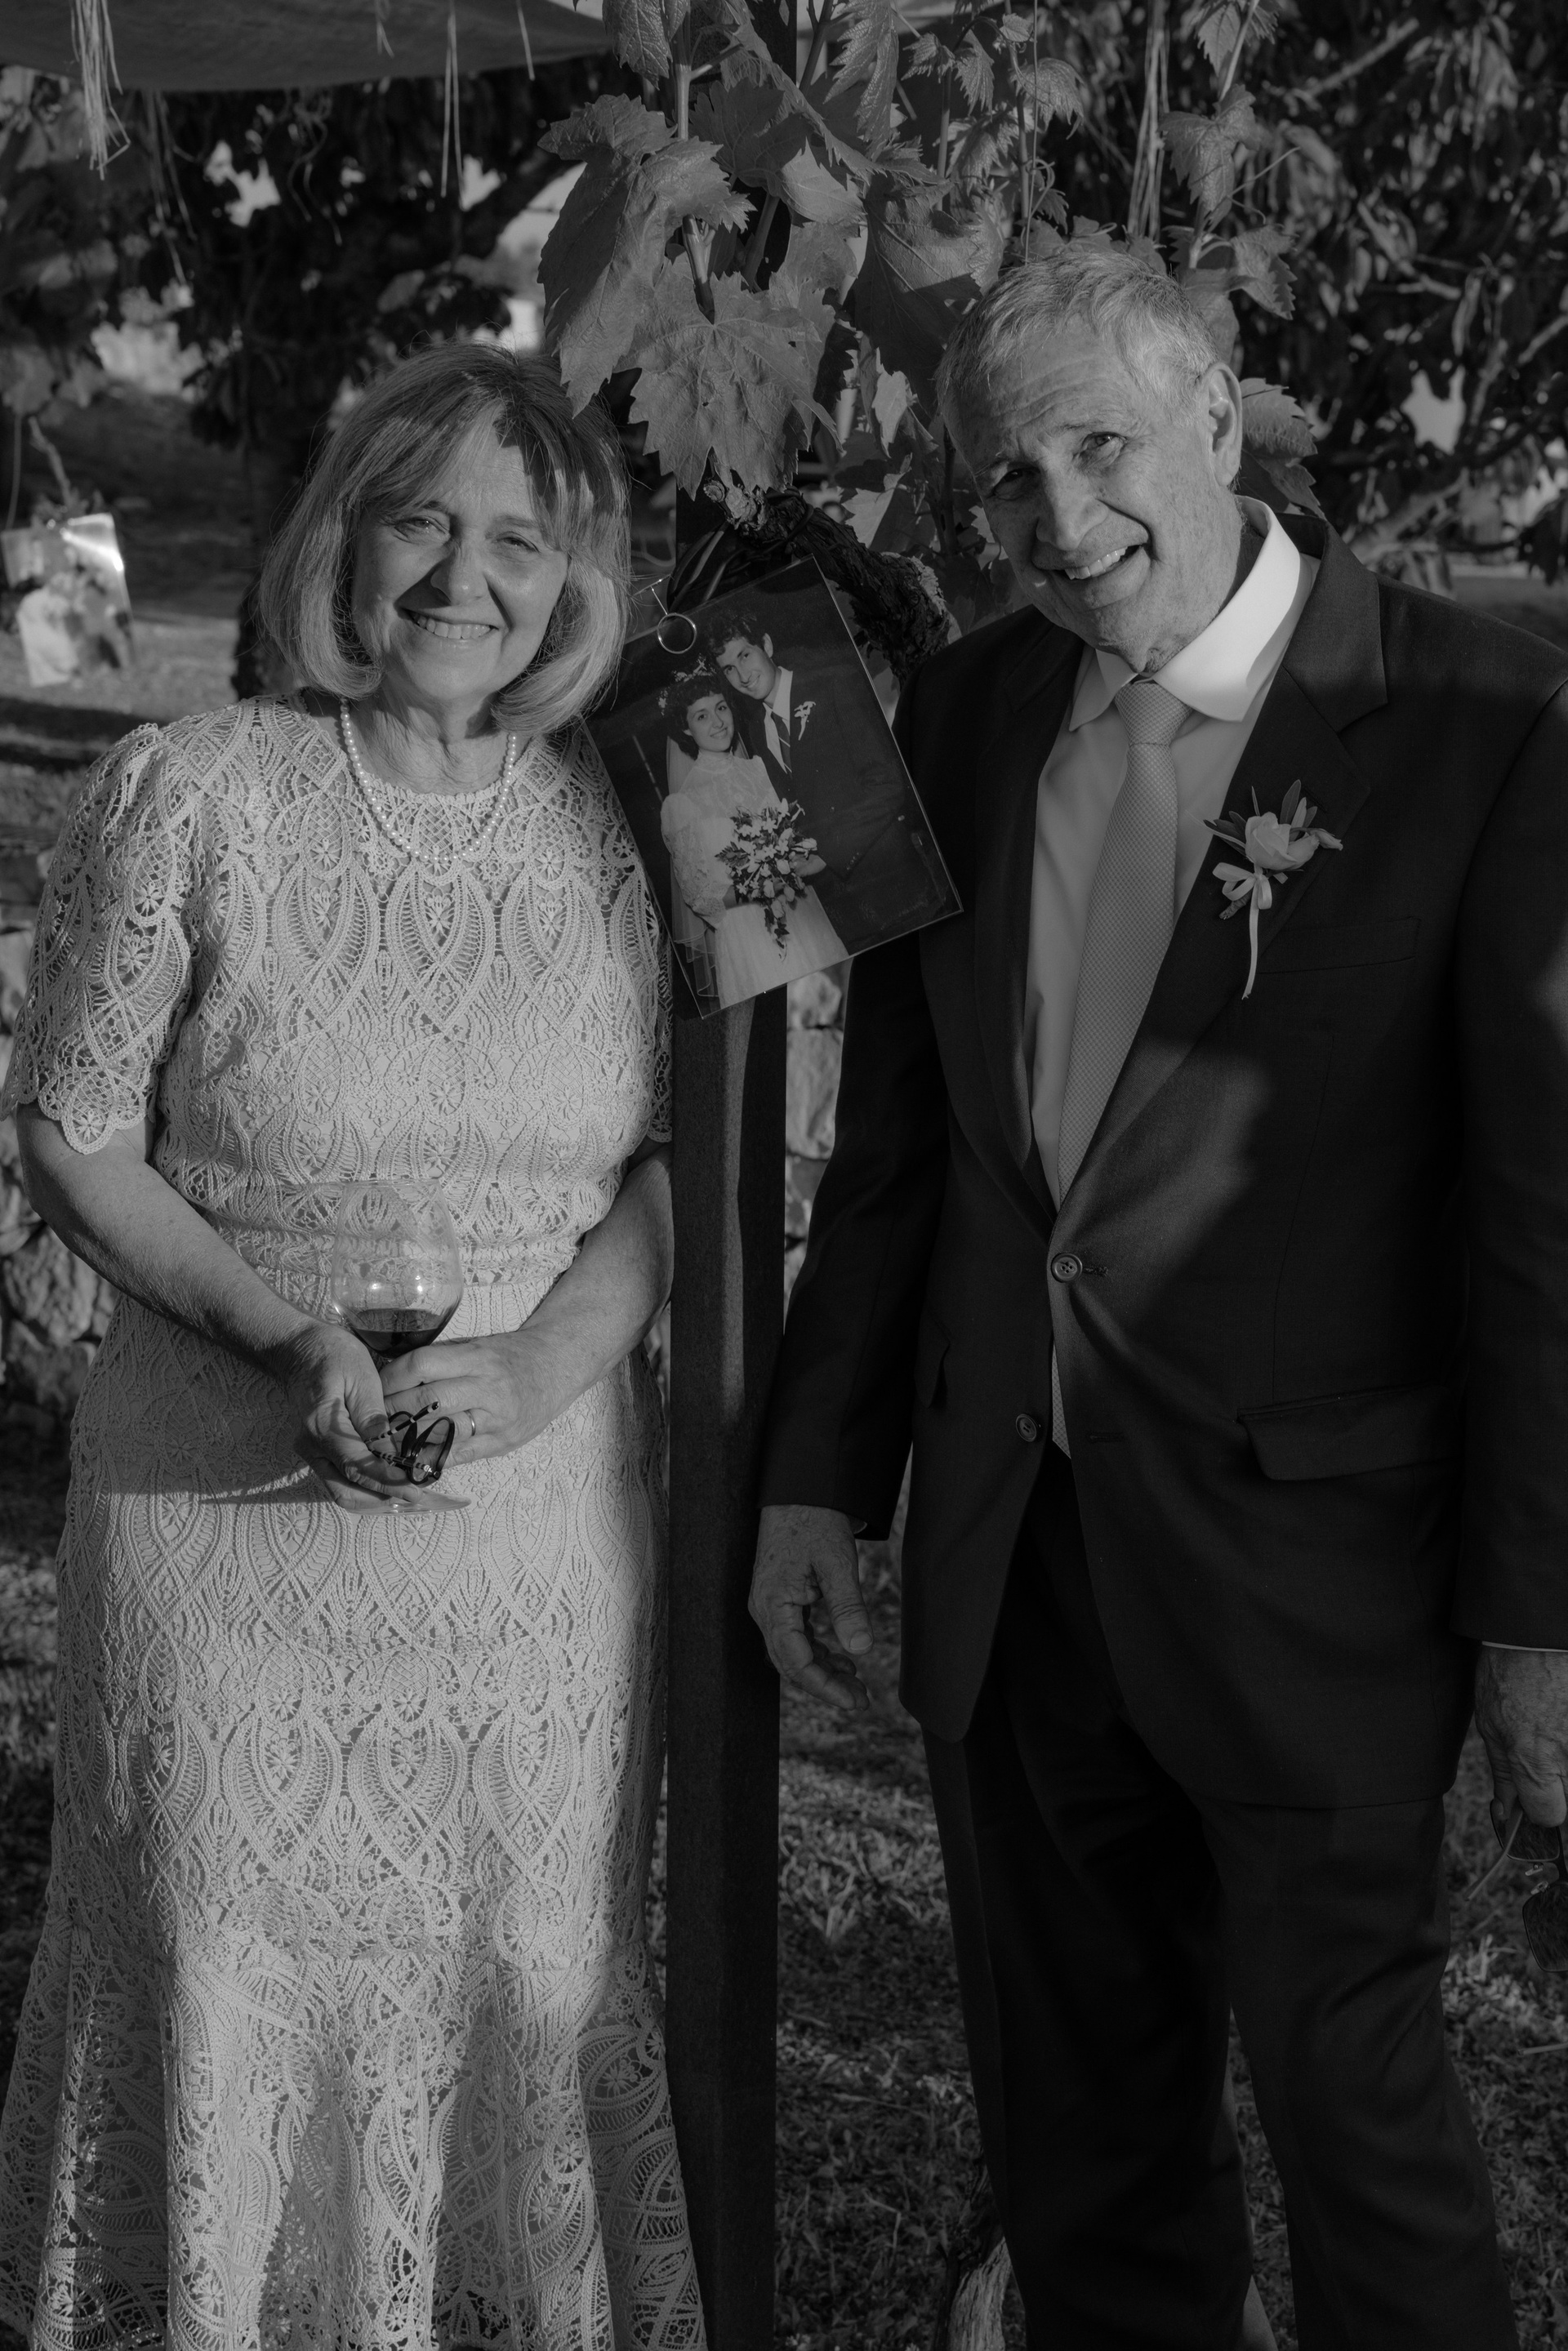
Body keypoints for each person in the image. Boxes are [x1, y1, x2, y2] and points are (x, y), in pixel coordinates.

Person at [750, 241, 1568, 2349]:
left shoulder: (1484, 721)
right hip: (1019, 1556)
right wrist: (818, 1478)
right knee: (1084, 2140)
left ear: (1219, 412)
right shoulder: (964, 708)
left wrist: (1543, 1610)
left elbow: (1542, 1215)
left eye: (1100, 444)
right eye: (1003, 477)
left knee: (1359, 2121)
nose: (1058, 515)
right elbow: (907, 1148)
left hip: (1322, 1565)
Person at [0, 345, 706, 2351]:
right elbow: (72, 1129)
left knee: (523, 1973)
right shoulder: (196, 791)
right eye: (423, 521)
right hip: (224, 1518)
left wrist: (549, 1366)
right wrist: (279, 1331)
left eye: (519, 540)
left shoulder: (642, 821)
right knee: (224, 1961)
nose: (465, 577)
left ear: (575, 581)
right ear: (344, 537)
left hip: (532, 1547)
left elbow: (685, 1163)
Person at [711, 608, 943, 946]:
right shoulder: (756, 731)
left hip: (898, 889)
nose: (742, 675)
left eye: (745, 655)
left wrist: (828, 853)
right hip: (845, 916)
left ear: (767, 645)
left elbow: (888, 784)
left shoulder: (833, 684)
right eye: (729, 669)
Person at [658, 667, 847, 1006]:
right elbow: (700, 896)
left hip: (803, 912)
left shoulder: (760, 768)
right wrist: (759, 887)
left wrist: (792, 862)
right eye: (702, 716)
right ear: (686, 728)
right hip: (749, 937)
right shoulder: (681, 804)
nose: (718, 722)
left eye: (721, 707)